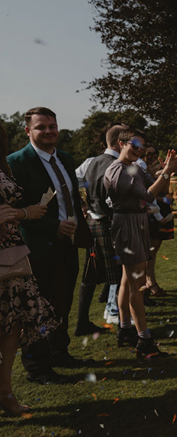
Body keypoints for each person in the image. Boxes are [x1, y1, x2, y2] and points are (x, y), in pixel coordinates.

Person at [8, 107, 95, 383]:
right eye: (41, 127)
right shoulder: (15, 162)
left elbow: (71, 197)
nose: (48, 131)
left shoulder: (66, 158)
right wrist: (51, 226)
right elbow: (15, 210)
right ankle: (37, 366)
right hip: (36, 247)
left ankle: (59, 351)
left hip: (66, 244)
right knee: (38, 307)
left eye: (52, 126)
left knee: (62, 300)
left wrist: (81, 231)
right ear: (28, 131)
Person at [104, 128, 177, 357]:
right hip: (127, 224)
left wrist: (166, 171)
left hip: (137, 222)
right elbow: (148, 195)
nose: (139, 149)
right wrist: (166, 171)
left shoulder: (137, 167)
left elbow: (163, 189)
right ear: (121, 144)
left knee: (128, 281)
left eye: (142, 145)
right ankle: (144, 340)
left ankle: (125, 330)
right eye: (135, 145)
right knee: (136, 283)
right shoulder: (117, 170)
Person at [0, 124, 60, 414]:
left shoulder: (4, 168)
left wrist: (20, 214)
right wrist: (25, 213)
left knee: (14, 324)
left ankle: (5, 392)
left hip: (12, 255)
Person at [80, 124, 128, 331]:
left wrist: (83, 206)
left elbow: (69, 184)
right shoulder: (118, 165)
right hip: (111, 223)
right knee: (118, 273)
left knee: (90, 274)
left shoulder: (90, 162)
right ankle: (120, 322)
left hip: (93, 222)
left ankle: (82, 322)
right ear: (121, 142)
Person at [143, 144, 174, 298]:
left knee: (154, 251)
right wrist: (163, 198)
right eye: (149, 154)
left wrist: (166, 172)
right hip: (151, 212)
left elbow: (165, 188)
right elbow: (145, 194)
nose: (152, 156)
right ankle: (150, 283)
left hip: (161, 210)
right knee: (150, 251)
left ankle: (151, 282)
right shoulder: (143, 170)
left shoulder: (154, 170)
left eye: (155, 153)